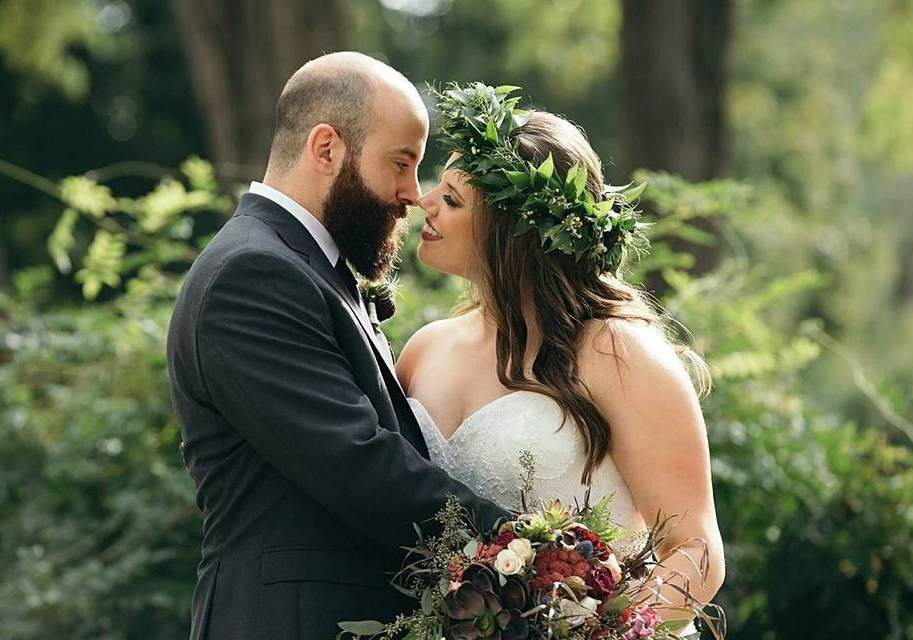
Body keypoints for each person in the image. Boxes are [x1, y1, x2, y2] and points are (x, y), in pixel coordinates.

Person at [166, 55, 509, 640]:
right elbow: (358, 462)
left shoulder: (306, 267)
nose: (411, 194)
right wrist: (529, 550)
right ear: (326, 149)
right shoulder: (251, 274)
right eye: (401, 164)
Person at [396, 83, 726, 610]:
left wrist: (607, 628)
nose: (423, 201)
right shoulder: (423, 349)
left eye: (452, 199)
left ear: (512, 234)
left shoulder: (619, 353)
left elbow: (696, 548)